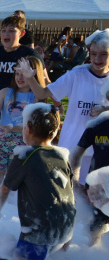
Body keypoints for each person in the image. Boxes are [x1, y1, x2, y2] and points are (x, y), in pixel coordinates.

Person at [0, 103, 75, 260]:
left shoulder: (25, 155)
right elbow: (69, 192)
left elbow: (3, 192)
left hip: (39, 230)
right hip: (66, 227)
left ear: (28, 128)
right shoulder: (62, 156)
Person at [16, 29, 109, 185]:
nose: (97, 59)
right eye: (93, 54)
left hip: (102, 148)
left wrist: (105, 111)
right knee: (70, 192)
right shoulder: (77, 75)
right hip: (73, 144)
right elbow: (42, 92)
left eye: (103, 54)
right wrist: (30, 78)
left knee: (96, 195)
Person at [0, 15, 43, 134]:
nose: (6, 34)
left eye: (11, 31)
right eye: (3, 30)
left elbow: (41, 79)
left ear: (22, 33)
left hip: (23, 113)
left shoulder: (29, 54)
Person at [69, 83, 109, 246]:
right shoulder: (97, 125)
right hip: (97, 188)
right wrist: (74, 181)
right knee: (95, 233)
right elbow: (76, 154)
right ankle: (93, 259)